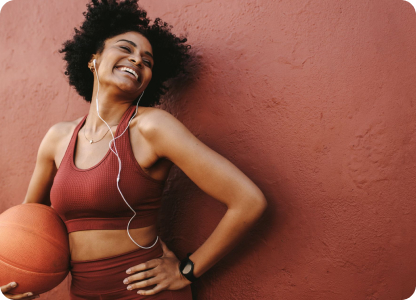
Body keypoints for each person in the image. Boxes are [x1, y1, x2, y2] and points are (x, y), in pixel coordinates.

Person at [0, 0, 267, 299]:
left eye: (148, 61)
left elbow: (248, 200)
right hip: (81, 293)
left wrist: (186, 271)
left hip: (146, 292)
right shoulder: (57, 138)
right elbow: (26, 225)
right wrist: (18, 275)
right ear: (93, 58)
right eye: (125, 49)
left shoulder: (153, 128)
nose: (138, 60)